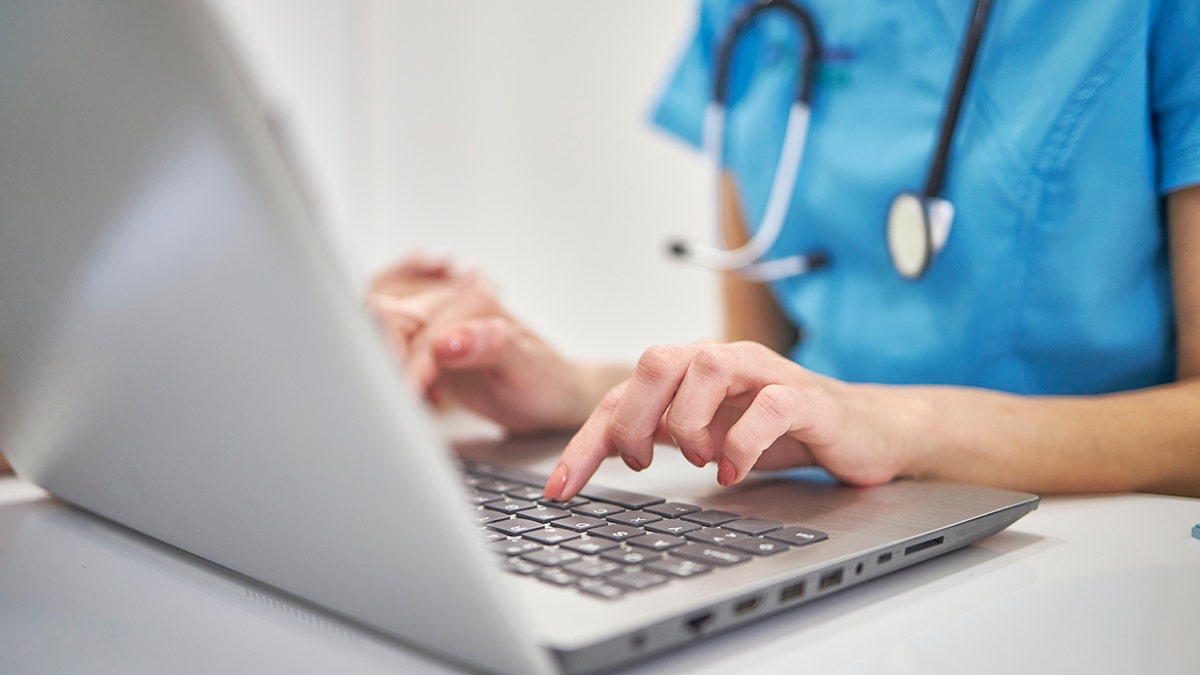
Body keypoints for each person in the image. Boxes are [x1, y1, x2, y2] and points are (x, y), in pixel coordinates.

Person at [370, 0, 1200, 501]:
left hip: (1090, 536)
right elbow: (772, 369)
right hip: (824, 517)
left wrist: (901, 425)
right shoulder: (746, 11)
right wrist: (579, 389)